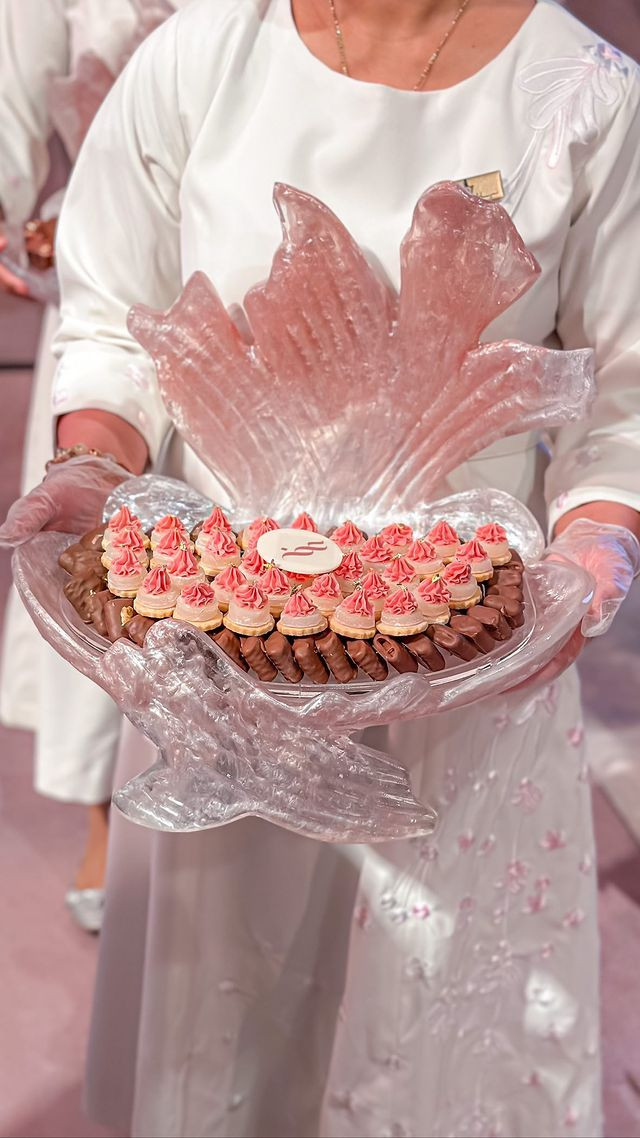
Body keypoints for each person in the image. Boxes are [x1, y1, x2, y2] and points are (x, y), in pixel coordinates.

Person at [3, 0, 640, 1133]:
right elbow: (111, 318)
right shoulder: (201, 54)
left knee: (427, 1005)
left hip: (462, 646)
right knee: (227, 1005)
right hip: (221, 645)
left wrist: (596, 544)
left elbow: (625, 396)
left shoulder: (587, 95)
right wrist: (94, 464)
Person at [0, 0, 188, 929]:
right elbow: (12, 79)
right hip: (111, 266)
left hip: (248, 262)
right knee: (103, 554)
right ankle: (106, 817)